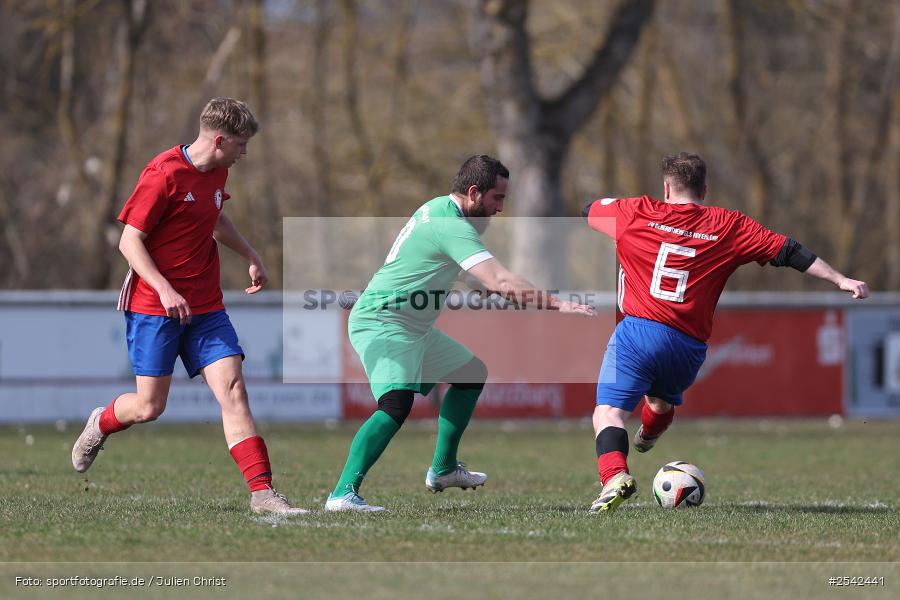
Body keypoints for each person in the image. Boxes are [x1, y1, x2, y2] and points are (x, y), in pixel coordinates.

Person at [582, 152, 869, 512]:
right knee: (659, 402)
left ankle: (614, 478)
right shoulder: (729, 224)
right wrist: (840, 279)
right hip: (688, 347)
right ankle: (649, 435)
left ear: (666, 187)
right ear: (705, 189)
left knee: (608, 413)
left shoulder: (636, 210)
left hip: (639, 332)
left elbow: (588, 209)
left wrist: (614, 224)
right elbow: (789, 251)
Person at [71, 97, 307, 515]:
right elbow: (130, 241)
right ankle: (101, 421)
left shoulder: (217, 172)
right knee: (149, 407)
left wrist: (251, 254)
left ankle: (263, 493)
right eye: (240, 145)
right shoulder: (162, 174)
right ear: (219, 141)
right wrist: (164, 288)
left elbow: (215, 219)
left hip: (205, 305)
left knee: (234, 389)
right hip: (153, 306)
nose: (244, 153)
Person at [325, 154, 595, 512]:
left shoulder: (438, 209)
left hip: (412, 327)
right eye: (497, 199)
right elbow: (499, 279)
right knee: (395, 404)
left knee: (470, 374)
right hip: (384, 322)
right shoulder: (451, 225)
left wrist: (488, 288)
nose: (500, 209)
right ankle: (343, 494)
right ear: (473, 193)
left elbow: (464, 272)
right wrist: (558, 304)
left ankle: (444, 469)